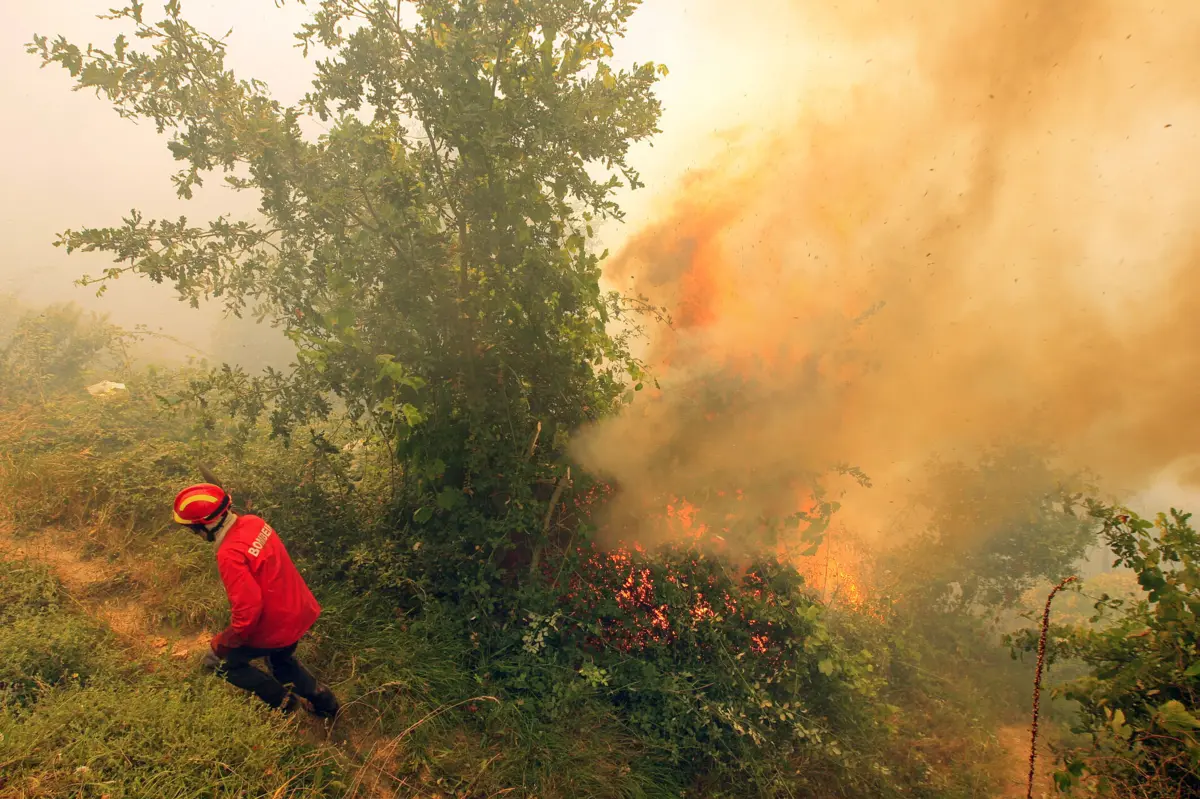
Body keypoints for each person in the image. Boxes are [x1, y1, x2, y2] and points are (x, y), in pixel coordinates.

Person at [172, 482, 340, 718]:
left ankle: (283, 703)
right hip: (299, 609)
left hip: (277, 624)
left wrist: (222, 643)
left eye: (193, 529)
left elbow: (247, 613)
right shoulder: (254, 522)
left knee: (217, 663)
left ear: (206, 525)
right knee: (281, 661)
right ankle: (325, 702)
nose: (195, 534)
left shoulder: (229, 553)